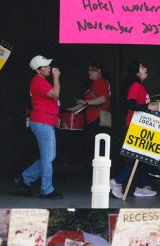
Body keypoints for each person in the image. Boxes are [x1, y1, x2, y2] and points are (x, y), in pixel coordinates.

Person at [109, 60, 160, 199]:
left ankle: (141, 187)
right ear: (137, 73)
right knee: (137, 159)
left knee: (144, 159)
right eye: (143, 67)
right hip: (134, 126)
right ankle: (116, 182)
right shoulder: (136, 86)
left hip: (141, 126)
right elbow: (130, 103)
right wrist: (147, 107)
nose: (146, 68)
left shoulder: (140, 86)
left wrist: (149, 105)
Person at [16, 55, 62, 200]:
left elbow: (49, 101)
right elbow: (55, 93)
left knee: (49, 156)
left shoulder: (40, 81)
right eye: (46, 66)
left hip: (45, 121)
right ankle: (46, 189)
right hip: (42, 122)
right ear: (38, 70)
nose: (49, 68)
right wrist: (56, 76)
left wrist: (56, 117)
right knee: (48, 157)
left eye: (49, 66)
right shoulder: (38, 81)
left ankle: (25, 178)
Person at [69, 62, 111, 140]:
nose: (89, 72)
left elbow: (102, 99)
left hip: (97, 120)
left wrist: (86, 102)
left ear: (99, 71)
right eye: (89, 70)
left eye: (92, 70)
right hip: (93, 120)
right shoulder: (94, 84)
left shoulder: (100, 82)